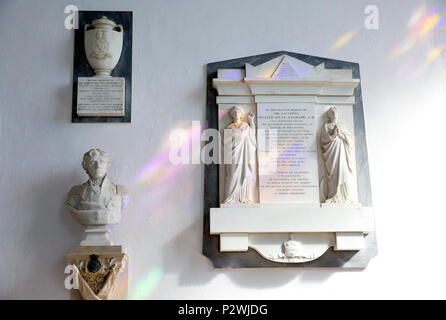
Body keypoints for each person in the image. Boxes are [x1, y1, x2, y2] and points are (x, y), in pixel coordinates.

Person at [222, 106, 257, 204]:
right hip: (233, 155)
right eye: (235, 112)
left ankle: (244, 198)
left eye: (238, 112)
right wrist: (237, 136)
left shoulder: (245, 126)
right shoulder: (229, 128)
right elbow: (227, 142)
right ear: (232, 114)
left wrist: (251, 121)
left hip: (244, 154)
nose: (237, 113)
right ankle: (230, 198)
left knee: (245, 174)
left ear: (241, 115)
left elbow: (252, 134)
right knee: (232, 175)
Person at [320, 107, 354, 204]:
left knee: (344, 173)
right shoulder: (326, 126)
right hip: (331, 154)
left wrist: (340, 135)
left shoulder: (341, 125)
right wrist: (333, 135)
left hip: (341, 154)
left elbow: (349, 140)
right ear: (329, 116)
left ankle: (345, 198)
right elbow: (323, 141)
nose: (335, 116)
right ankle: (333, 196)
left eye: (336, 114)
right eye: (333, 114)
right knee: (333, 173)